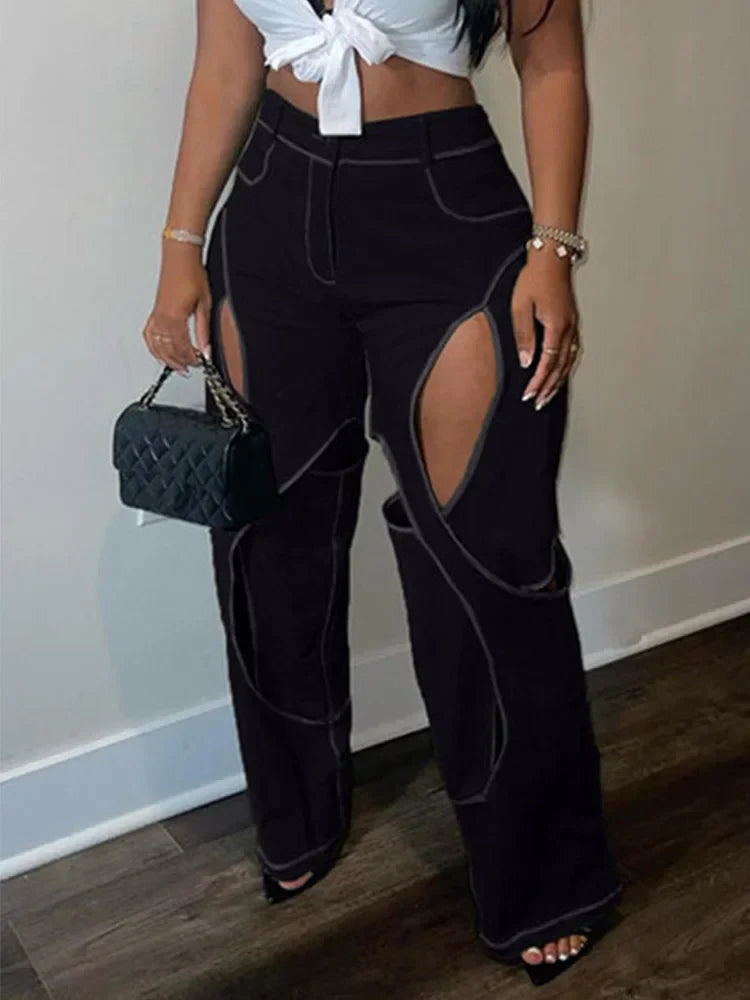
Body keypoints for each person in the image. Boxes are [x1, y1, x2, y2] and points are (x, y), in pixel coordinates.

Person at [141, 0, 624, 985]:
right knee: (265, 540)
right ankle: (297, 817)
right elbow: (226, 66)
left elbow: (553, 66)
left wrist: (553, 248)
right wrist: (180, 244)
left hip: (447, 220)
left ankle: (544, 880)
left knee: (488, 562)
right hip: (269, 210)